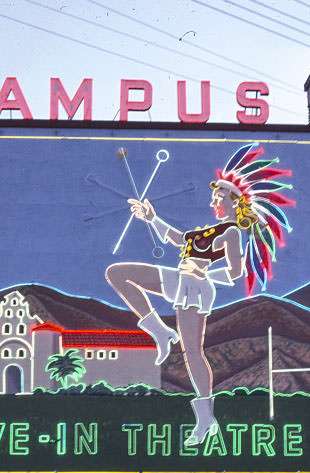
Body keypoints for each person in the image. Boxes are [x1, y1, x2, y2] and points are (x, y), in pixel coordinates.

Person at [105, 143, 293, 446]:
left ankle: (206, 418)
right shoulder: (207, 231)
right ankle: (160, 332)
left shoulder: (231, 233)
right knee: (118, 273)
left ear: (234, 202)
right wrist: (151, 217)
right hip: (179, 279)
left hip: (196, 288)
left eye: (219, 197)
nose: (214, 201)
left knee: (193, 352)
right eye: (214, 196)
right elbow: (178, 238)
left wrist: (205, 272)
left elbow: (235, 273)